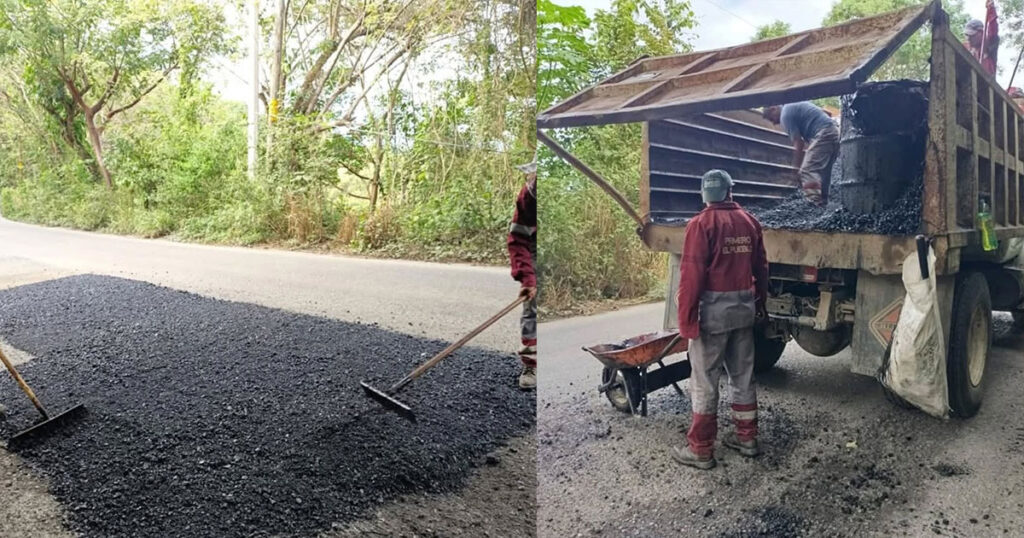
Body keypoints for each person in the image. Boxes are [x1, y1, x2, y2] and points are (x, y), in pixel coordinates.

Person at [672, 169, 769, 470]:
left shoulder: (700, 225)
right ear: (730, 192)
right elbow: (762, 269)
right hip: (743, 313)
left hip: (711, 319)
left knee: (705, 382)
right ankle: (747, 439)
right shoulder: (749, 222)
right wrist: (760, 305)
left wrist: (687, 321)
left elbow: (691, 277)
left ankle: (700, 450)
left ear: (705, 195)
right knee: (743, 377)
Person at [762, 102, 839, 207]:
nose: (774, 123)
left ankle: (814, 204)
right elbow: (828, 113)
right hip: (835, 132)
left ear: (773, 108)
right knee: (823, 172)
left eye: (771, 119)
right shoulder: (796, 105)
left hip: (824, 133)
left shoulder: (785, 115)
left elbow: (798, 143)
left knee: (808, 170)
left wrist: (796, 168)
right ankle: (824, 204)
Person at [508, 156, 537, 390]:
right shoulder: (528, 196)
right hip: (535, 248)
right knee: (532, 310)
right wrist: (527, 277)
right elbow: (518, 238)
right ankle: (531, 364)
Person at [965, 0, 999, 77]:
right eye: (967, 35)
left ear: (981, 33)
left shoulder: (988, 45)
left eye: (972, 35)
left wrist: (991, 9)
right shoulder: (965, 47)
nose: (969, 38)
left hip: (987, 83)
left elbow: (993, 29)